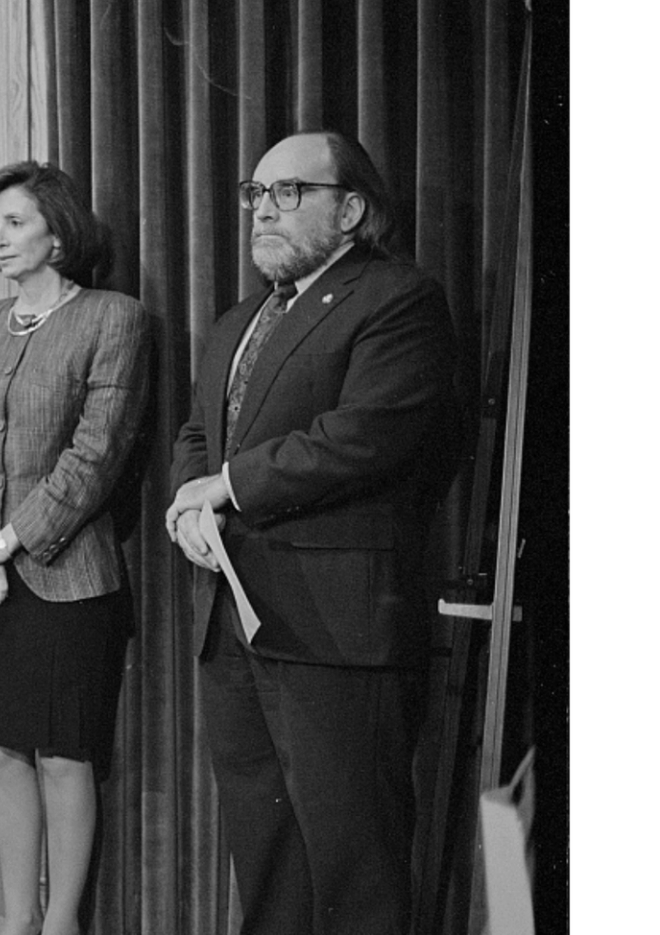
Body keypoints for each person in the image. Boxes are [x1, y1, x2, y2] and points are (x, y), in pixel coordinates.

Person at [164, 131, 459, 935]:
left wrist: (223, 487)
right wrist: (189, 505)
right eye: (255, 194)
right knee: (267, 856)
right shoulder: (236, 322)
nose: (263, 210)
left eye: (288, 192)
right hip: (235, 621)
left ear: (352, 209)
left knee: (355, 865)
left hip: (336, 628)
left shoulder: (397, 298)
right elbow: (199, 434)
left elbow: (362, 434)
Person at [0, 162, 151, 935]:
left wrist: (5, 542)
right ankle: (16, 921)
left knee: (61, 754)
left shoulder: (113, 318)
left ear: (59, 229)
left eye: (14, 221)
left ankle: (62, 923)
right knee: (0, 751)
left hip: (66, 578)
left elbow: (96, 454)